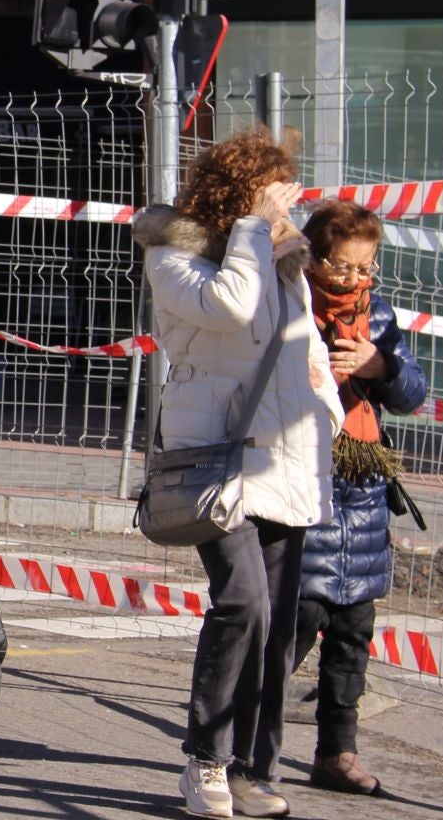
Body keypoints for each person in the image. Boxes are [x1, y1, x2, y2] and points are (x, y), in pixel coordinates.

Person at [134, 130, 343, 819]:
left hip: (285, 456)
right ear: (237, 196)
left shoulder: (278, 260)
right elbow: (230, 306)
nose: (288, 208)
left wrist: (330, 413)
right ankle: (206, 761)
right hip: (215, 458)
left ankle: (257, 766)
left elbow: (306, 349)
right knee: (243, 601)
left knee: (279, 622)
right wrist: (255, 227)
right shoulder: (174, 257)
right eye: (274, 194)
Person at [293, 200, 428, 798]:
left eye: (364, 268)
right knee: (294, 622)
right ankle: (246, 747)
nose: (353, 279)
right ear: (313, 258)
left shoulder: (381, 319)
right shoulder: (288, 306)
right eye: (342, 267)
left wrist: (381, 364)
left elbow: (413, 393)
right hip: (303, 479)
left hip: (364, 489)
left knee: (353, 630)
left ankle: (337, 753)